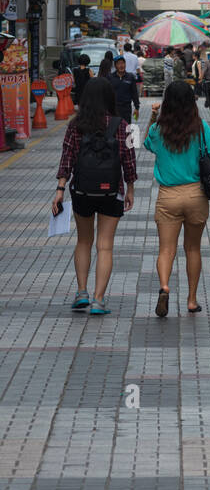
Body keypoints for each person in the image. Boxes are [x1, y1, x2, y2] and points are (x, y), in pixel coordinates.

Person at [52, 77, 136, 316]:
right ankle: (99, 300)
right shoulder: (123, 125)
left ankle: (81, 292)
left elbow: (66, 158)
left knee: (83, 241)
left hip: (81, 191)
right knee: (105, 246)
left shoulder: (75, 125)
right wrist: (130, 188)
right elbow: (129, 160)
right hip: (111, 191)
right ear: (110, 98)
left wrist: (60, 189)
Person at [144, 80, 210, 316]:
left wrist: (153, 117)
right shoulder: (200, 128)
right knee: (192, 249)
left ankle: (165, 287)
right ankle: (191, 300)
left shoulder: (159, 130)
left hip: (168, 196)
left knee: (166, 249)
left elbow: (149, 144)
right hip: (195, 194)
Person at [109, 54, 140, 123]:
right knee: (114, 129)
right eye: (119, 64)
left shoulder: (130, 77)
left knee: (126, 128)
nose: (121, 65)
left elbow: (134, 93)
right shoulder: (110, 77)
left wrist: (137, 107)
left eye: (123, 63)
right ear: (115, 65)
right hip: (114, 108)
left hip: (126, 108)